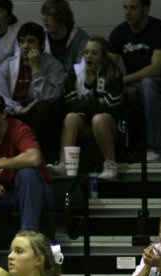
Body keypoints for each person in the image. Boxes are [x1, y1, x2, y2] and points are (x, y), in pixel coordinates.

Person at [0, 93, 53, 231]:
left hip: (33, 193)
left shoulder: (19, 129)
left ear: (4, 114)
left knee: (27, 173)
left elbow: (34, 158)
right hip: (1, 194)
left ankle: (29, 234)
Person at [108, 0, 161, 162]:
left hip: (158, 82)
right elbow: (107, 67)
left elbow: (157, 68)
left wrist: (125, 80)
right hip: (131, 83)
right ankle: (115, 152)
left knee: (148, 84)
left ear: (146, 9)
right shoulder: (120, 32)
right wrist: (121, 86)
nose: (127, 12)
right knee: (106, 87)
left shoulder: (160, 29)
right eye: (125, 8)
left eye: (133, 8)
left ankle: (156, 148)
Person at [51, 37, 124, 181]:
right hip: (85, 125)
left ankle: (110, 165)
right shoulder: (75, 72)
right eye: (86, 52)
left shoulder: (112, 73)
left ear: (103, 56)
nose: (89, 56)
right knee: (71, 117)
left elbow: (114, 106)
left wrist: (85, 104)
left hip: (109, 127)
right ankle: (63, 165)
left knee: (99, 119)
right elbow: (70, 104)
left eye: (94, 53)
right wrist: (95, 101)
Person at [0, 22, 66, 164]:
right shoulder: (8, 65)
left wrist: (36, 69)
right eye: (22, 41)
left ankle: (41, 160)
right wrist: (19, 109)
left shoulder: (54, 65)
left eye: (31, 41)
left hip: (40, 113)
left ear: (41, 45)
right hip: (15, 111)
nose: (26, 46)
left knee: (43, 107)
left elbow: (50, 96)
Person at [40, 0, 89, 73]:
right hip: (48, 82)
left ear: (62, 17)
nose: (45, 19)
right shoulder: (41, 37)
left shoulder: (80, 38)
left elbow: (82, 69)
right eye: (44, 14)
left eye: (49, 15)